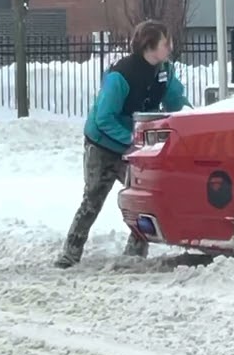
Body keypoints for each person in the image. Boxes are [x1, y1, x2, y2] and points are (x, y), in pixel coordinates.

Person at [54, 19, 190, 268]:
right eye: (165, 42)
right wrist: (132, 140)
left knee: (143, 198)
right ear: (150, 46)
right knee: (93, 198)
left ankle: (135, 253)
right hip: (103, 146)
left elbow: (176, 100)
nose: (170, 46)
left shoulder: (164, 71)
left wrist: (190, 118)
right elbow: (104, 117)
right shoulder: (121, 76)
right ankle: (70, 254)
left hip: (134, 147)